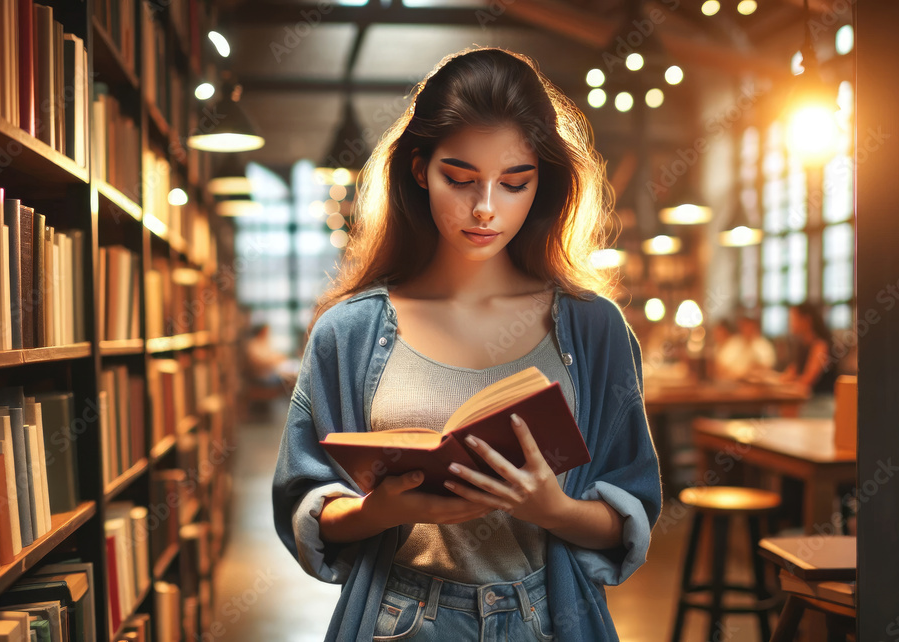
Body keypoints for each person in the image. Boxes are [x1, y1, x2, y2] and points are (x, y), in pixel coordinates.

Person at [272, 47, 662, 641]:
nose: (485, 208)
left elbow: (631, 514)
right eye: (459, 179)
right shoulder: (346, 333)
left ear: (543, 182)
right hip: (398, 619)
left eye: (514, 183)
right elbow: (305, 508)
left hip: (548, 619)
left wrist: (553, 509)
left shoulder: (595, 328)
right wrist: (378, 512)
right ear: (418, 169)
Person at [782, 303, 837, 416]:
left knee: (785, 412)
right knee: (780, 411)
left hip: (821, 403)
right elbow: (789, 375)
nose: (790, 323)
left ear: (806, 320)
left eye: (793, 318)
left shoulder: (820, 346)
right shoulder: (802, 345)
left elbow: (807, 382)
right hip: (808, 401)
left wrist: (786, 385)